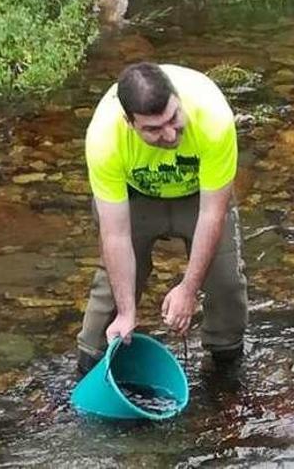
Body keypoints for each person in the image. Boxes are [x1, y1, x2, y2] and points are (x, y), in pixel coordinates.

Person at [76, 62, 248, 375]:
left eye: (173, 119)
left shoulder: (212, 118)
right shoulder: (104, 139)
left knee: (226, 285)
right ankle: (91, 367)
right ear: (129, 122)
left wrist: (188, 288)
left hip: (199, 196)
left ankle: (226, 377)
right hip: (137, 195)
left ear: (178, 99)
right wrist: (128, 312)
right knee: (112, 293)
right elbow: (115, 235)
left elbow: (212, 214)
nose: (169, 135)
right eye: (153, 129)